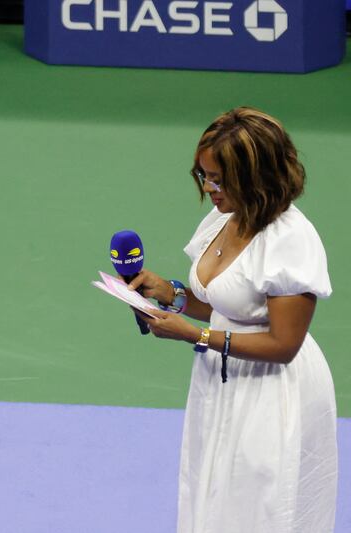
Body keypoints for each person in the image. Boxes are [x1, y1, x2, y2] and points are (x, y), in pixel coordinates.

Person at [128, 107, 337, 533]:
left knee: (261, 507)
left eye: (220, 180)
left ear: (255, 177)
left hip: (273, 393)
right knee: (212, 493)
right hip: (221, 381)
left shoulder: (291, 241)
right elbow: (231, 305)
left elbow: (283, 344)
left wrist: (195, 335)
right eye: (203, 176)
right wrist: (172, 295)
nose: (209, 189)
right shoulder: (225, 217)